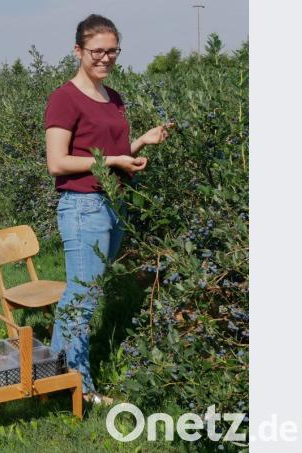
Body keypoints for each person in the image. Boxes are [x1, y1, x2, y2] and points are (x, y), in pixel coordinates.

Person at [44, 14, 171, 404]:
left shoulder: (113, 98)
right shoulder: (64, 98)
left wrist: (140, 145)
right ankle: (79, 388)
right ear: (78, 50)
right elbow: (57, 162)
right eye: (97, 50)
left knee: (87, 293)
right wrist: (115, 160)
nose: (105, 58)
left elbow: (111, 155)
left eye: (112, 51)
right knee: (82, 297)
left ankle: (57, 374)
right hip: (83, 206)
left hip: (114, 204)